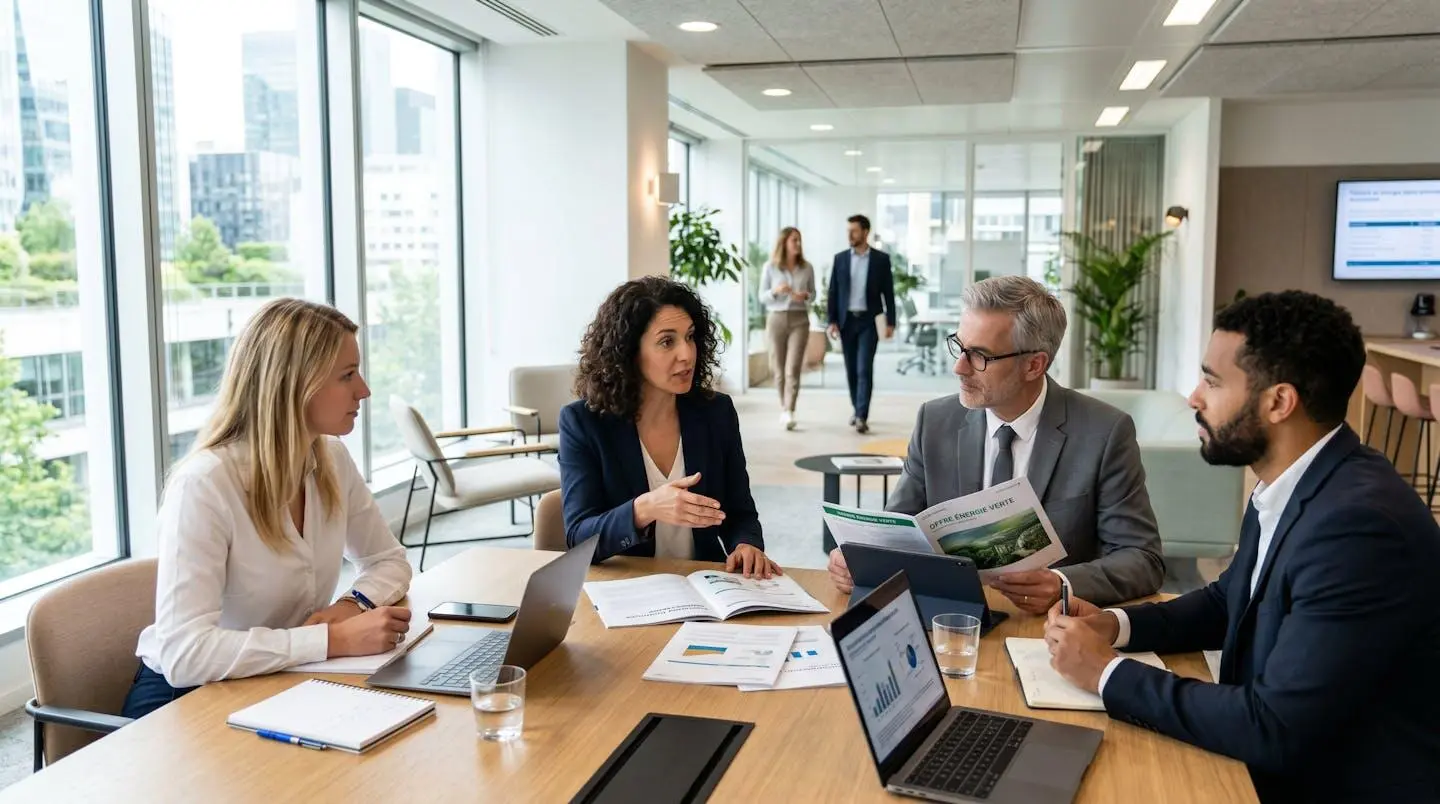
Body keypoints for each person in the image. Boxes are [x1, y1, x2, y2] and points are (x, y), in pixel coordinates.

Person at [1045, 291, 1440, 803]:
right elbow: (1228, 599)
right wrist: (1115, 626)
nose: (1194, 397)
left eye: (1212, 381)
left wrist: (1104, 671)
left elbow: (1274, 726)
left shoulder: (1357, 527)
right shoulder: (1296, 481)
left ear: (1278, 401)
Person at [123, 299, 414, 719]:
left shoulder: (330, 458)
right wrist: (333, 641)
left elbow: (388, 561)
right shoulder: (205, 485)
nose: (364, 390)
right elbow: (185, 653)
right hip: (186, 700)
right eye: (347, 376)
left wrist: (351, 607)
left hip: (278, 677)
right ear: (292, 385)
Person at [827, 275, 1164, 612]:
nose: (959, 368)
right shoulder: (935, 422)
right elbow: (899, 531)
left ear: (1034, 365)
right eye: (959, 347)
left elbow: (1142, 559)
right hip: (950, 621)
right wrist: (862, 562)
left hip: (1049, 632)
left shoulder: (1104, 432)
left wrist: (1062, 584)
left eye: (980, 357)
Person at [558, 276, 781, 577]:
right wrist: (645, 509)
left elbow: (739, 512)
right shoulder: (583, 423)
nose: (687, 354)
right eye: (667, 341)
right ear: (629, 352)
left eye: (690, 337)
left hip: (705, 586)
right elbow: (579, 537)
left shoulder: (716, 413)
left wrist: (746, 545)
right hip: (629, 588)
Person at [826, 214, 895, 434]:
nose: (850, 235)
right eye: (848, 230)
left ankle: (862, 415)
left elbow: (889, 293)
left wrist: (891, 321)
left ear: (865, 232)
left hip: (869, 321)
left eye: (854, 230)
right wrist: (832, 321)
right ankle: (857, 409)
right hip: (847, 322)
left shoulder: (881, 260)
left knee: (864, 368)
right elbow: (833, 292)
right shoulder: (840, 259)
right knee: (851, 370)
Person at [759, 226, 815, 431]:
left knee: (792, 368)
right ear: (784, 243)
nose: (798, 244)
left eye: (799, 240)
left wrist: (806, 296)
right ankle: (784, 407)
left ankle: (789, 409)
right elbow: (761, 297)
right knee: (778, 369)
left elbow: (814, 293)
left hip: (800, 319)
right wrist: (775, 291)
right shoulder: (770, 267)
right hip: (776, 319)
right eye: (794, 240)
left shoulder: (807, 267)